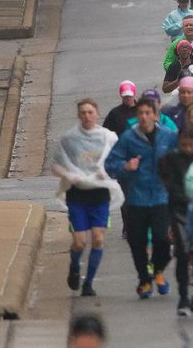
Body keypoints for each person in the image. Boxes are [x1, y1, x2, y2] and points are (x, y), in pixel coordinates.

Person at [105, 98, 178, 299]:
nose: (144, 117)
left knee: (162, 241)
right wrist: (125, 167)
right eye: (140, 113)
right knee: (137, 242)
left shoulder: (168, 136)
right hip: (136, 198)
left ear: (156, 115)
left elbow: (180, 158)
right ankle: (144, 280)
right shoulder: (129, 138)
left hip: (161, 197)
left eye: (148, 113)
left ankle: (159, 270)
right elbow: (110, 164)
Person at [52, 99, 122, 298]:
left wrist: (107, 171)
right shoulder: (69, 139)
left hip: (99, 194)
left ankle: (88, 284)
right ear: (78, 115)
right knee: (80, 242)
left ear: (97, 113)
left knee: (98, 239)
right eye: (82, 112)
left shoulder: (108, 138)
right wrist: (68, 175)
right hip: (77, 195)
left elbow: (117, 161)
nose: (87, 116)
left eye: (90, 112)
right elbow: (56, 166)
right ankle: (74, 266)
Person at [157, 124, 193, 315]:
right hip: (180, 212)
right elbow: (170, 188)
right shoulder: (169, 160)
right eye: (184, 138)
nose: (188, 142)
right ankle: (183, 296)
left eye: (192, 138)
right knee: (183, 253)